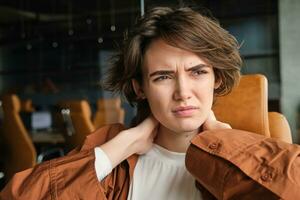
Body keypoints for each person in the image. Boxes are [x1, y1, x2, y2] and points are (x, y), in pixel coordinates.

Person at [1, 6, 299, 200]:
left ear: (217, 79)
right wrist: (125, 144)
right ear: (139, 88)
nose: (183, 92)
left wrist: (223, 140)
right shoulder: (115, 156)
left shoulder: (250, 152)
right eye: (162, 77)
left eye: (197, 72)